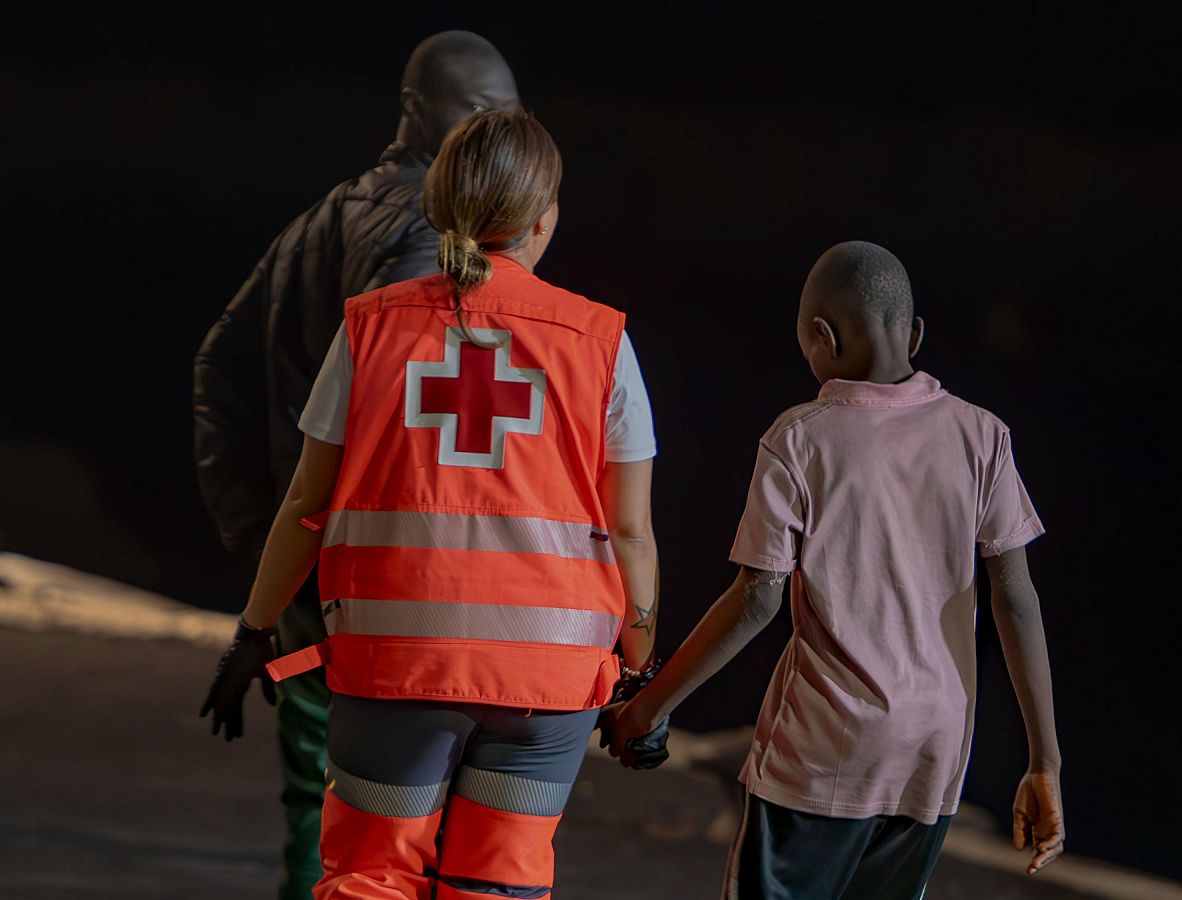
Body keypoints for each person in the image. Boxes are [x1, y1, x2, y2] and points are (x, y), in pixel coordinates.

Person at [200, 108, 662, 899]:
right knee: (499, 888)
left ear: (438, 207)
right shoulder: (602, 343)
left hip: (393, 669)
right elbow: (630, 530)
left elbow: (305, 502)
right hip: (543, 686)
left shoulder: (370, 330)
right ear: (544, 220)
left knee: (370, 878)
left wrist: (254, 628)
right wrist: (643, 676)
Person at [605, 241, 1065, 897]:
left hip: (823, 753)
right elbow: (1015, 598)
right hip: (933, 753)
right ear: (915, 333)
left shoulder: (800, 438)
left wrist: (647, 708)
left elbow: (756, 600)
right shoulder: (982, 434)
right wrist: (1043, 763)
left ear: (820, 338)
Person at [192, 31, 521, 899]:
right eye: (486, 110)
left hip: (312, 573)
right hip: (387, 590)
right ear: (421, 109)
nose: (503, 129)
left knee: (319, 800)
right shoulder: (432, 233)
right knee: (401, 827)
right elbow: (424, 425)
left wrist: (264, 535)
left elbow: (218, 367)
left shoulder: (319, 218)